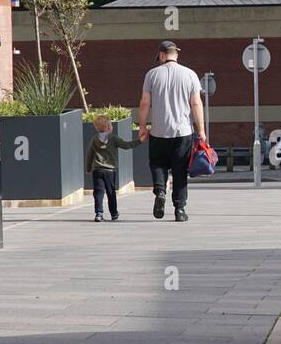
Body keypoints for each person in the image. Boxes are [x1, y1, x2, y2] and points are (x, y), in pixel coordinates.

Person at [138, 41, 206, 222]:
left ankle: (160, 191)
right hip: (183, 132)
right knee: (180, 170)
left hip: (159, 131)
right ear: (177, 54)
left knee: (157, 164)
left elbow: (145, 103)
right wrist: (201, 130)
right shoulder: (190, 74)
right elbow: (196, 104)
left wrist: (142, 127)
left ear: (161, 55)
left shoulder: (151, 75)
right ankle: (180, 209)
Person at [85, 116, 145, 223]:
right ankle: (114, 213)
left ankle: (99, 213)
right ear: (108, 127)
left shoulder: (94, 139)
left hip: (97, 170)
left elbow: (89, 154)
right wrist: (139, 141)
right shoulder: (113, 138)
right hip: (110, 171)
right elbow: (126, 145)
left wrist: (88, 167)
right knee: (111, 192)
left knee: (98, 192)